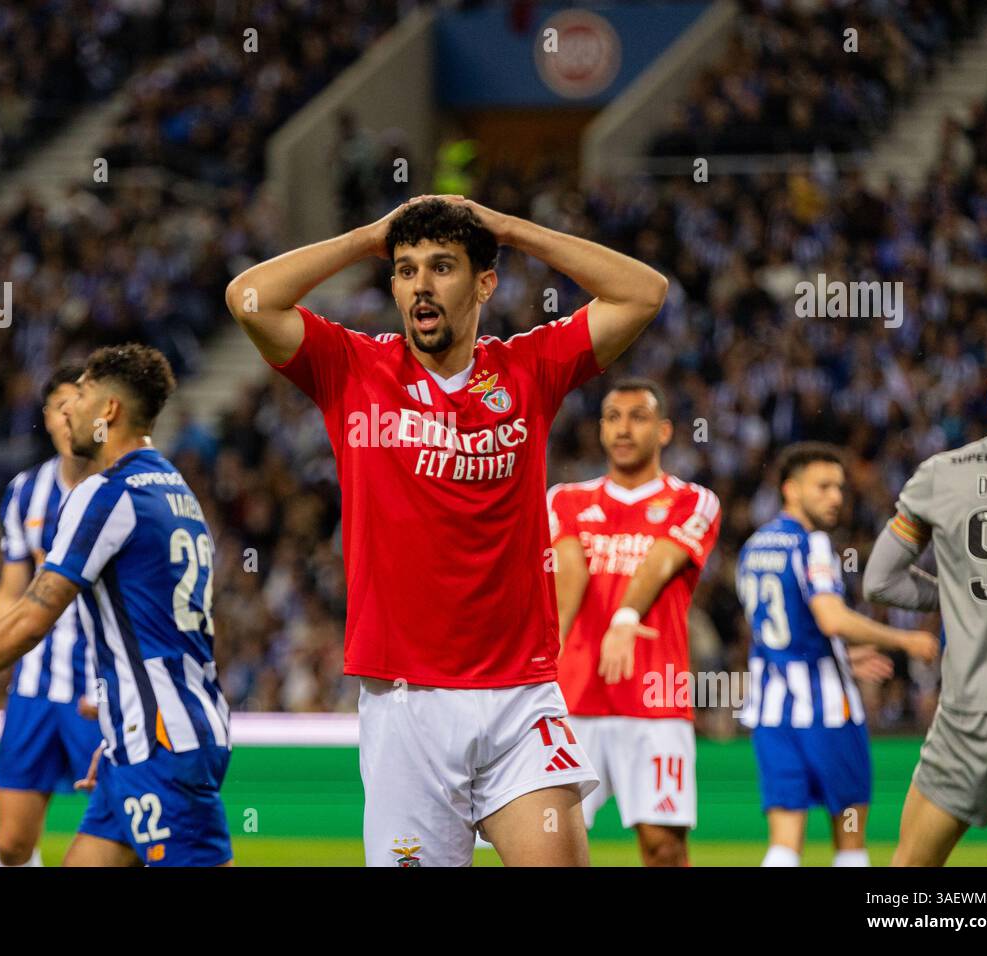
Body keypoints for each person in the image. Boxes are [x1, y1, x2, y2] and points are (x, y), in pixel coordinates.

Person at [226, 194, 668, 866]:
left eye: (442, 267)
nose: (420, 286)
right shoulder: (352, 369)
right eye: (405, 271)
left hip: (521, 695)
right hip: (408, 705)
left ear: (484, 282)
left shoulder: (529, 368)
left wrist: (511, 230)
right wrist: (370, 236)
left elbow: (643, 292)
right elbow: (249, 297)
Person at [0, 345, 232, 867]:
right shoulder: (175, 489)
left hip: (160, 743)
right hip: (146, 735)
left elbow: (31, 617)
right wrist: (122, 719)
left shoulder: (107, 493)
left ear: (109, 410)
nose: (69, 409)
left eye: (82, 395)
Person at [864, 331, 987, 867]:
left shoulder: (944, 475)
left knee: (910, 874)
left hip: (975, 706)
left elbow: (879, 581)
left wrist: (962, 596)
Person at [737, 442, 938, 866]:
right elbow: (831, 618)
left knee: (783, 843)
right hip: (828, 711)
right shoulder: (812, 545)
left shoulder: (753, 547)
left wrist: (839, 655)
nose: (836, 498)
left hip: (773, 711)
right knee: (850, 841)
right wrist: (905, 641)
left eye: (839, 488)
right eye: (823, 486)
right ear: (790, 489)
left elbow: (782, 632)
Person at [549, 378, 720, 866]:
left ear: (664, 430)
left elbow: (662, 561)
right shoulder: (565, 500)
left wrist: (625, 617)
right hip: (572, 700)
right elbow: (569, 575)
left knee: (664, 848)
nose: (624, 429)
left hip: (655, 701)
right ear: (601, 429)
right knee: (551, 846)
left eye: (638, 417)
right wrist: (554, 643)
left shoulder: (694, 500)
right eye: (612, 417)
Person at [0, 365, 102, 866]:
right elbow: (9, 596)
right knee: (11, 845)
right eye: (59, 404)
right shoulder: (25, 491)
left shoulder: (120, 487)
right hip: (33, 687)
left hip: (101, 688)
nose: (69, 411)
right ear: (48, 418)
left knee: (122, 833)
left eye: (79, 400)